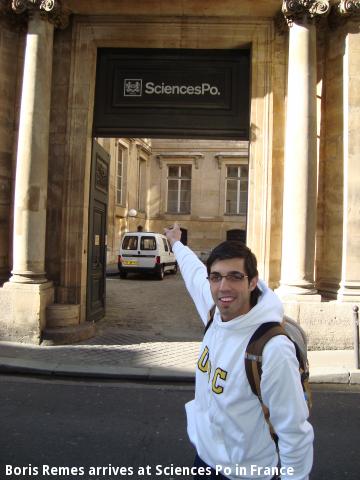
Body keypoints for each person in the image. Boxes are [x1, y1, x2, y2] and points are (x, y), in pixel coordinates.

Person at [164, 224, 313, 480]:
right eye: (216, 277)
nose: (224, 287)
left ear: (253, 282)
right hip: (205, 460)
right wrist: (176, 243)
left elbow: (294, 433)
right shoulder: (214, 312)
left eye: (235, 276)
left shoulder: (273, 348)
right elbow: (192, 271)